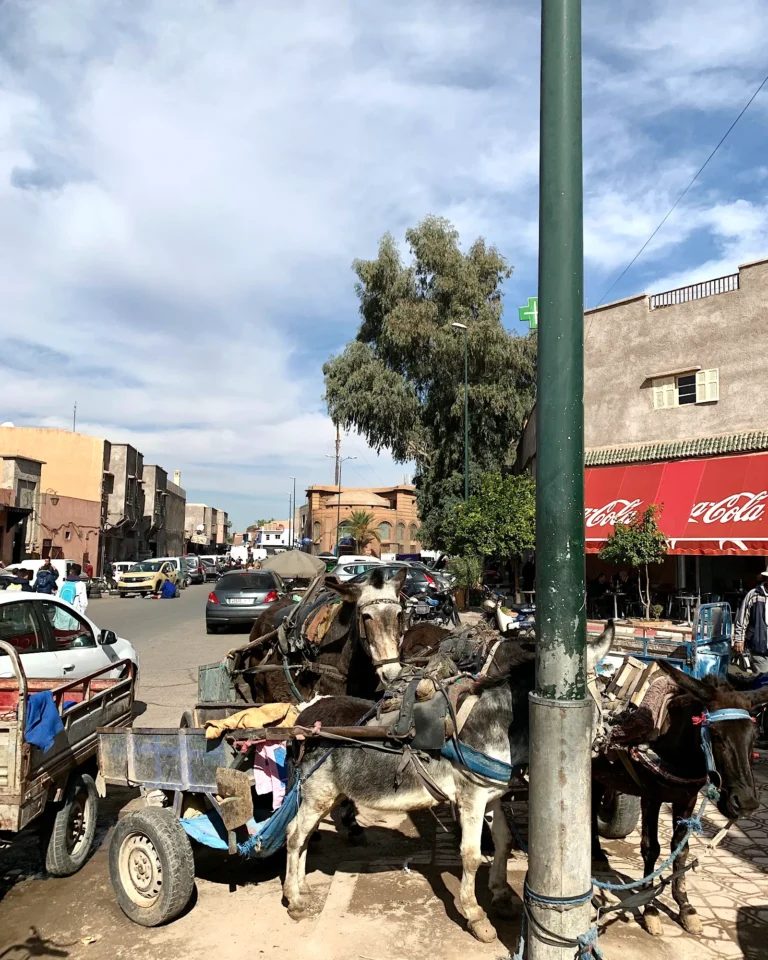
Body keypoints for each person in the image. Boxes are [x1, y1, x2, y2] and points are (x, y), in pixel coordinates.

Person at [734, 570, 768, 676]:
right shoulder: (753, 595)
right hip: (758, 645)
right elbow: (742, 618)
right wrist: (739, 639)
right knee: (763, 679)